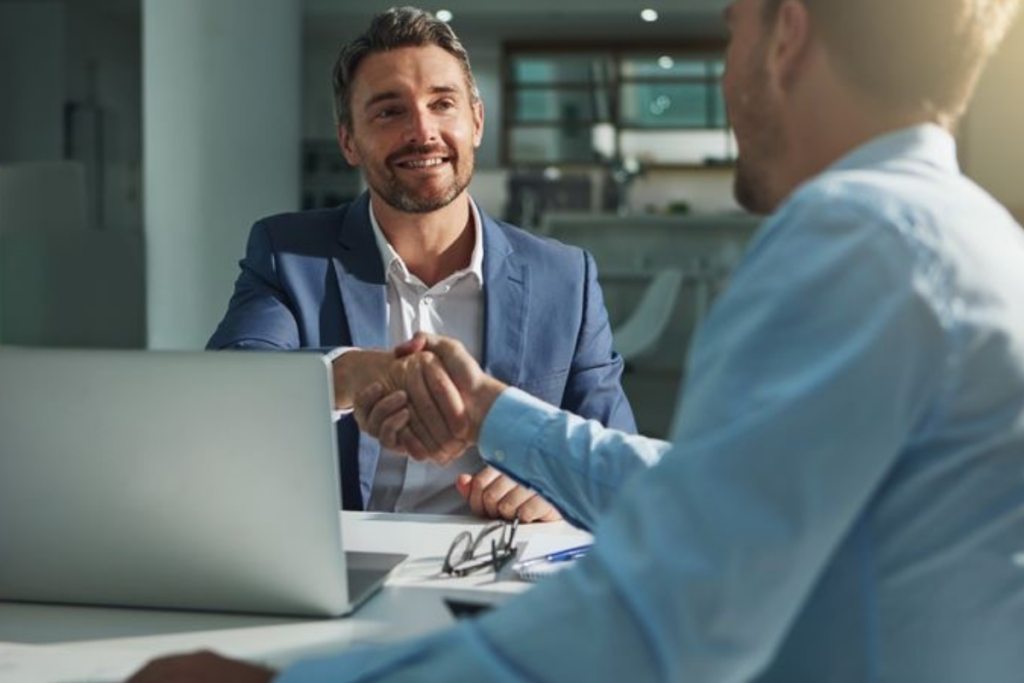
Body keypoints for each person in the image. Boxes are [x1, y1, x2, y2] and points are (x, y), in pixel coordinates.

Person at [129, 0, 1024, 680]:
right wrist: (494, 416)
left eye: (730, 31)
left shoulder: (856, 244)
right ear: (351, 138)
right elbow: (693, 492)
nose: (724, 71)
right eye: (390, 110)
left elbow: (660, 612)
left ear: (785, 36)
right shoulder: (969, 239)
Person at [206, 7, 636, 521]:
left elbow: (617, 459)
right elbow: (228, 389)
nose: (423, 131)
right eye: (390, 111)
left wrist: (560, 493)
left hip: (498, 570)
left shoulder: (565, 279)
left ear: (476, 121)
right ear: (348, 140)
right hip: (337, 570)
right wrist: (355, 373)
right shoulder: (287, 253)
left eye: (442, 104)